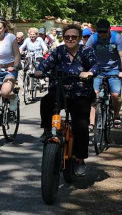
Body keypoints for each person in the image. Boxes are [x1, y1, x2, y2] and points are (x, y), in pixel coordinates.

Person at [34, 23, 97, 176]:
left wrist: (89, 73)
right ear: (63, 37)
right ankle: (48, 130)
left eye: (74, 37)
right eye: (67, 36)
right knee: (46, 102)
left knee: (80, 125)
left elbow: (96, 66)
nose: (70, 39)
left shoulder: (87, 51)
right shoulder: (58, 51)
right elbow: (46, 63)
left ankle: (80, 160)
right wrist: (39, 70)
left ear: (80, 38)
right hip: (60, 90)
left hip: (80, 92)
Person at [86, 18, 122, 128]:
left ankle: (116, 115)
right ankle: (91, 122)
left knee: (115, 95)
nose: (102, 34)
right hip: (97, 70)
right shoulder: (93, 38)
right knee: (94, 95)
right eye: (99, 32)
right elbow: (85, 53)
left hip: (114, 69)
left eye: (104, 31)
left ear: (109, 30)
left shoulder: (116, 38)